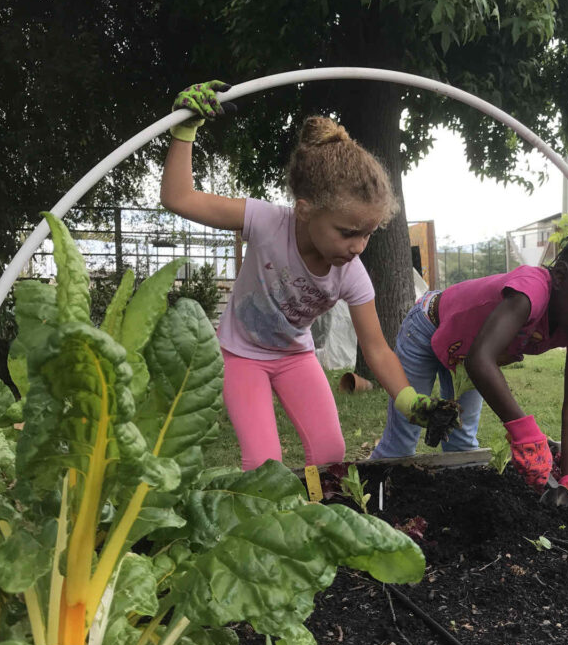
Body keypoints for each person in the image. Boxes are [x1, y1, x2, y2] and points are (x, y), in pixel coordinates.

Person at [161, 80, 451, 470]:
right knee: (265, 462)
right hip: (240, 355)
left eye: (367, 233)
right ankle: (264, 525)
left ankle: (315, 512)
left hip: (295, 356)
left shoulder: (352, 275)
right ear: (304, 210)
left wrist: (410, 401)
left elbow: (377, 349)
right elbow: (179, 198)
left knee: (331, 455)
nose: (359, 246)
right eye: (348, 233)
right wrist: (185, 130)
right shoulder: (265, 222)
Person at [371, 216, 568, 496]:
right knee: (402, 442)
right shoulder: (530, 292)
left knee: (462, 443)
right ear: (561, 277)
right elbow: (481, 359)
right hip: (428, 328)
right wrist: (524, 432)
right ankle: (370, 499)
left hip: (468, 355)